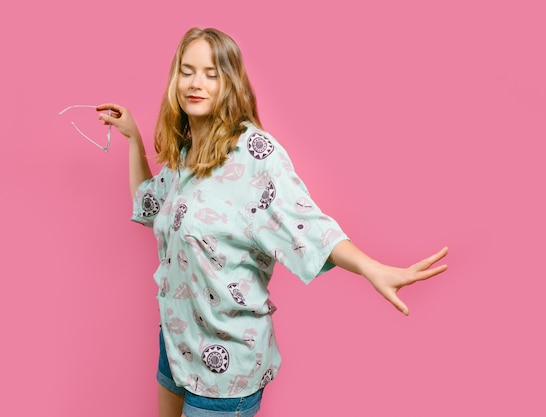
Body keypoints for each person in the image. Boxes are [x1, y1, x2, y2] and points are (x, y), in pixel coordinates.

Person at [96, 27, 448, 417]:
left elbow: (306, 223)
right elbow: (149, 200)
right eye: (187, 70)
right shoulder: (186, 150)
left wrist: (370, 267)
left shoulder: (254, 153)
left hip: (225, 367)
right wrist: (131, 139)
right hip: (176, 342)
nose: (196, 83)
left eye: (211, 73)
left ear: (230, 83)